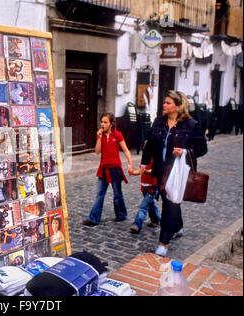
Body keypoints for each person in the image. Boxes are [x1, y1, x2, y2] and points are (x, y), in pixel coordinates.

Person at [139, 90, 207, 256]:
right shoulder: (159, 122)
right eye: (165, 102)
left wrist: (184, 152)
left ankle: (163, 242)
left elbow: (202, 148)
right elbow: (149, 144)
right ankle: (178, 227)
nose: (164, 105)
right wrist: (142, 165)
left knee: (170, 204)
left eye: (168, 103)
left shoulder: (191, 125)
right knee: (170, 201)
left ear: (178, 106)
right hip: (160, 169)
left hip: (178, 170)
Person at [83, 113, 134, 226]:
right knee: (100, 194)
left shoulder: (117, 135)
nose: (102, 124)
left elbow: (125, 150)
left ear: (111, 124)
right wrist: (99, 138)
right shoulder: (100, 135)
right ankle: (93, 218)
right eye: (101, 121)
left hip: (115, 168)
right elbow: (97, 152)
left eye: (105, 122)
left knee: (117, 194)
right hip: (103, 168)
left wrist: (130, 164)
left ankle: (121, 214)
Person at [129, 159, 161, 234]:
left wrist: (146, 171)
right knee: (150, 204)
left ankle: (137, 224)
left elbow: (157, 170)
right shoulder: (145, 158)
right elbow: (140, 171)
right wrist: (132, 172)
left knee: (144, 206)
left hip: (153, 187)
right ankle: (155, 220)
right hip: (144, 186)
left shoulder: (157, 156)